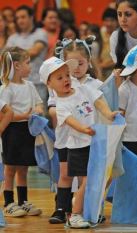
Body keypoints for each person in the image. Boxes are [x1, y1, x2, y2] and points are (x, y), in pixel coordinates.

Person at [39, 56, 117, 228]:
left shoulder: (81, 88)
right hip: (77, 146)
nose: (66, 79)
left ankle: (85, 212)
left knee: (92, 180)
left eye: (67, 75)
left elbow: (98, 100)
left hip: (92, 143)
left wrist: (108, 114)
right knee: (84, 180)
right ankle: (74, 214)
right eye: (59, 78)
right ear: (49, 84)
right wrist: (84, 129)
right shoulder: (60, 104)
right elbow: (70, 121)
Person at [48, 37, 103, 224]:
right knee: (65, 175)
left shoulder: (93, 85)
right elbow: (52, 108)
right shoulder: (59, 84)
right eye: (72, 64)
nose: (76, 68)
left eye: (81, 63)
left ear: (89, 62)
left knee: (85, 177)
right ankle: (61, 208)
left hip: (87, 138)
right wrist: (62, 111)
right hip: (65, 137)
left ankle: (85, 210)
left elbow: (102, 105)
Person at [0, 47, 44, 217]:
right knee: (10, 168)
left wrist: (38, 111)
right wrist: (25, 115)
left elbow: (39, 103)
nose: (30, 66)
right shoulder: (6, 88)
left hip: (28, 130)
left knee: (23, 168)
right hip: (12, 131)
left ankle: (23, 201)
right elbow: (5, 115)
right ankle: (9, 202)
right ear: (17, 65)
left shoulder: (30, 85)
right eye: (27, 63)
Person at [6, 5, 48, 113]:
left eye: (23, 17)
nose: (20, 20)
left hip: (37, 83)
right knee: (20, 117)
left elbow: (34, 51)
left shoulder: (40, 33)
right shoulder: (12, 38)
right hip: (17, 85)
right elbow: (6, 57)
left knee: (39, 117)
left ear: (31, 17)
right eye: (18, 18)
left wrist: (14, 55)